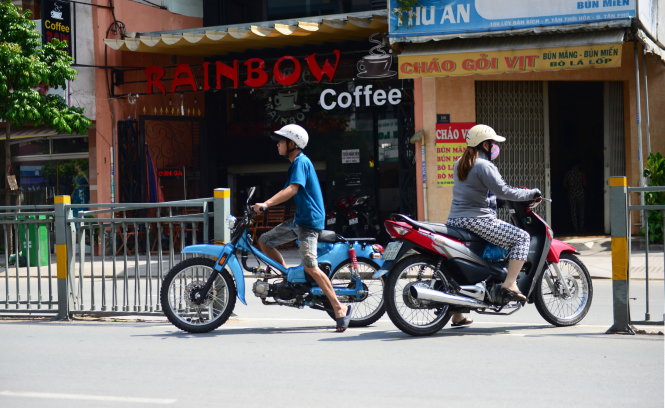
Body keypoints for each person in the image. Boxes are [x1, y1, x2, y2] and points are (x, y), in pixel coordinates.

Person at [251, 124, 353, 333]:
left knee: (310, 266)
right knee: (264, 241)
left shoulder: (300, 162)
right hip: (300, 220)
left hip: (309, 223)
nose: (277, 144)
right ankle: (287, 276)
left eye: (280, 140)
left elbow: (291, 189)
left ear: (292, 143)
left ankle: (339, 308)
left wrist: (266, 204)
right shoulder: (296, 163)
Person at [447, 124, 541, 305]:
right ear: (485, 145)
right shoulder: (484, 165)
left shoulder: (460, 163)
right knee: (521, 237)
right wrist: (531, 193)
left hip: (455, 220)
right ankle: (510, 283)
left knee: (463, 263)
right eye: (492, 143)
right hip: (477, 220)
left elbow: (474, 192)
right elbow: (504, 191)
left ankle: (457, 313)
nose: (495, 147)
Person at [563, 163, 586, 233]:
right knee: (581, 210)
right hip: (580, 193)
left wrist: (570, 188)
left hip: (572, 193)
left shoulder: (568, 174)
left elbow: (564, 184)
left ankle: (575, 228)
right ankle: (581, 227)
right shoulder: (581, 173)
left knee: (573, 211)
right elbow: (585, 183)